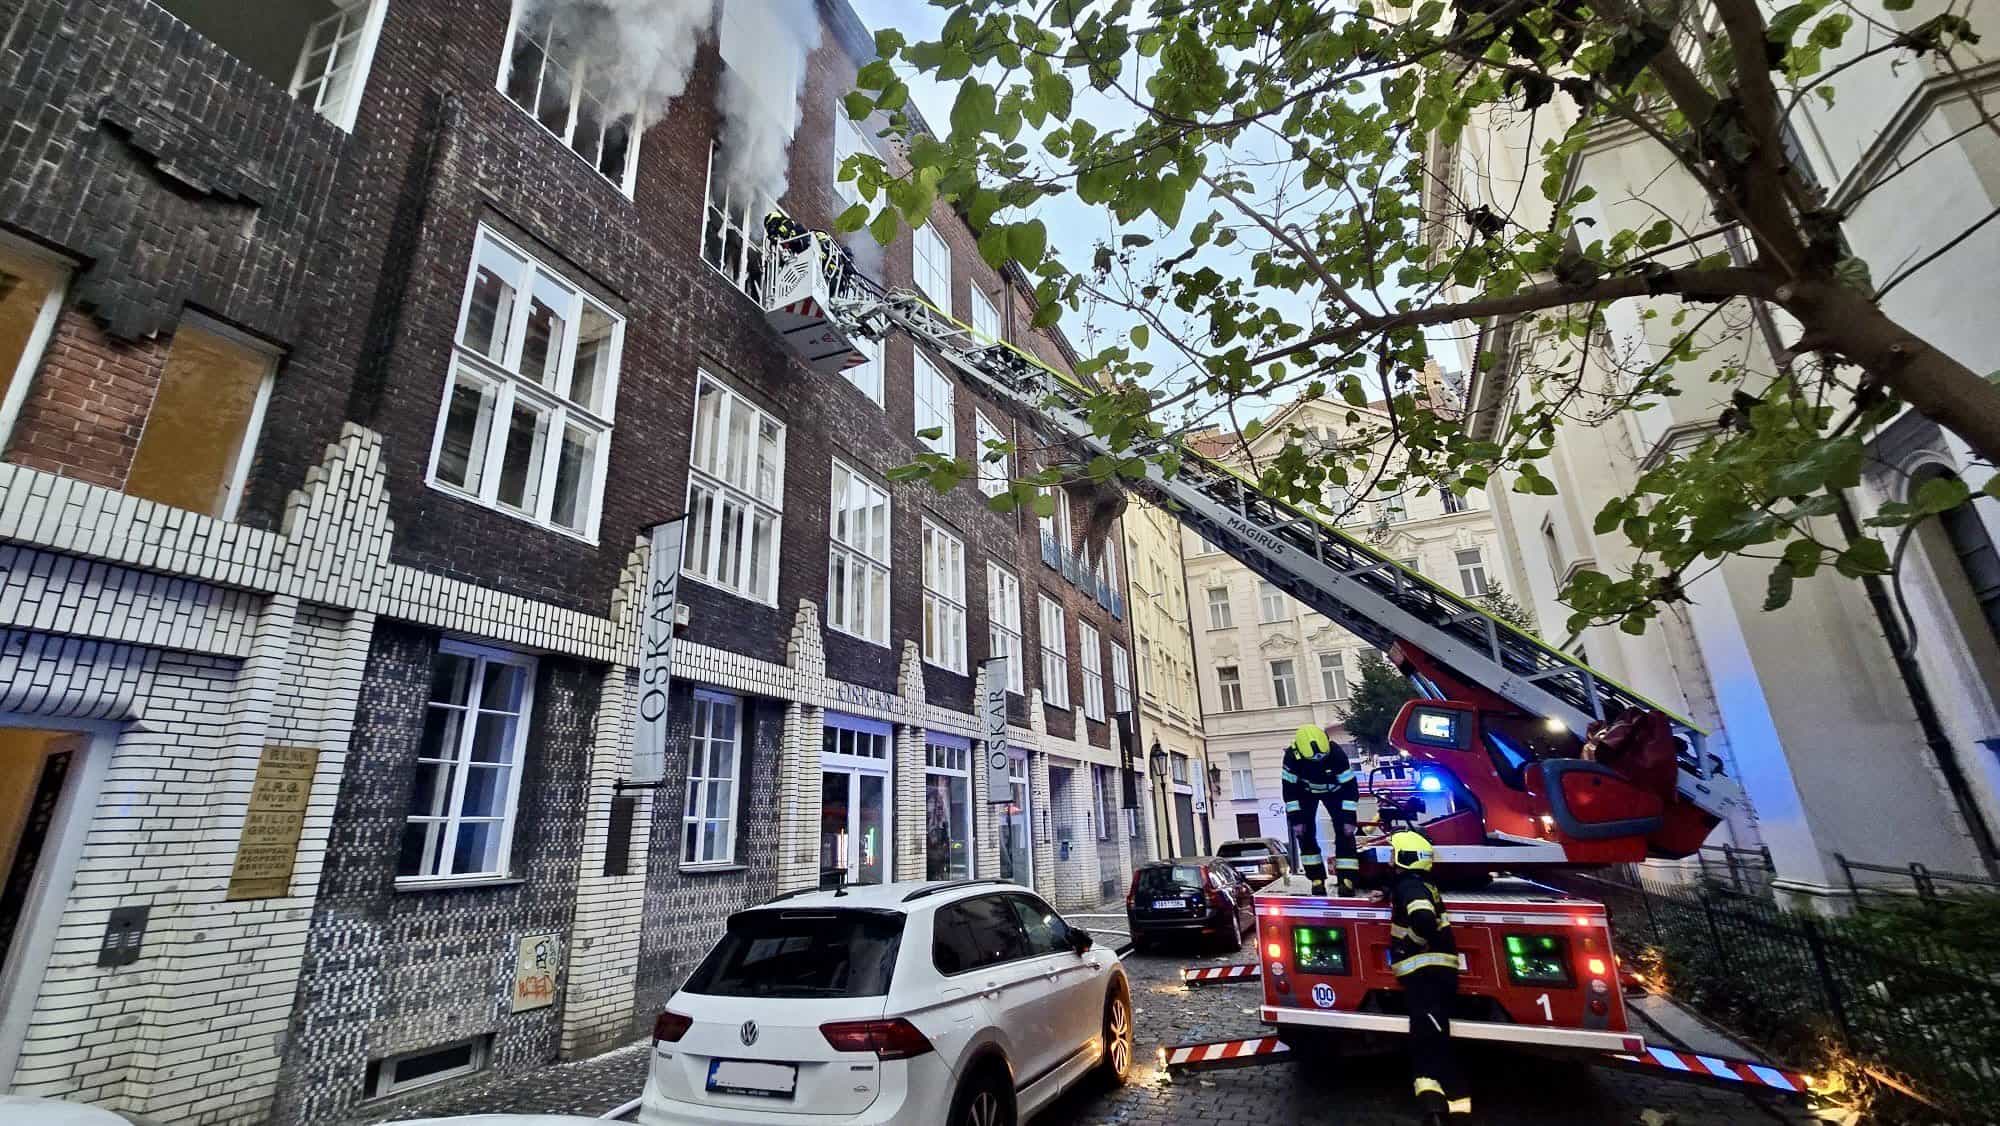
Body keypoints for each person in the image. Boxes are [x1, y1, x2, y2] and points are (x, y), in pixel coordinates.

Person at [1387, 829, 1470, 1123]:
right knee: (1435, 1034)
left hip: (1426, 973)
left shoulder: (1410, 885)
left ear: (1405, 857)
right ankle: (1450, 1105)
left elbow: (1423, 918)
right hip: (1436, 972)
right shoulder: (1420, 882)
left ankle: (1438, 1107)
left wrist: (1407, 945)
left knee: (1428, 1039)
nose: (1389, 859)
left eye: (1393, 853)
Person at [1279, 723, 1358, 895]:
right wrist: (1297, 820)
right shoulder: (1292, 757)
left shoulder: (1336, 753)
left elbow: (1350, 787)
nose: (1319, 761)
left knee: (1345, 832)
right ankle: (1316, 879)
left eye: (1323, 758)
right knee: (1304, 834)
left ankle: (1347, 879)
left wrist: (1349, 818)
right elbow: (1289, 791)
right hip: (1305, 793)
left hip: (1335, 791)